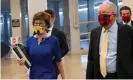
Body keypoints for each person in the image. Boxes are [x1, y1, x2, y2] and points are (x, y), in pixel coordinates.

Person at [86, 1, 133, 79]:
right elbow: (91, 59)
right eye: (99, 13)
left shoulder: (127, 31)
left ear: (114, 15)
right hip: (99, 75)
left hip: (120, 76)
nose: (101, 16)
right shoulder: (95, 32)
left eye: (104, 13)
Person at [17, 12, 65, 79]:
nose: (38, 26)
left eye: (41, 23)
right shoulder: (30, 40)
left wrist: (63, 78)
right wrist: (22, 62)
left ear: (47, 25)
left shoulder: (53, 40)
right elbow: (28, 59)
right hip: (34, 76)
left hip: (49, 75)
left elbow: (58, 61)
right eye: (36, 23)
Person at [44, 9, 69, 78]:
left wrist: (55, 55)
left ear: (53, 19)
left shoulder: (59, 34)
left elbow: (65, 48)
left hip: (53, 66)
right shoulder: (38, 33)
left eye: (48, 18)